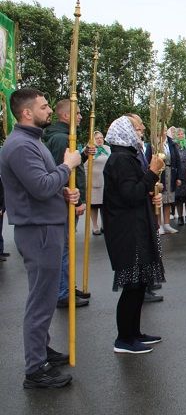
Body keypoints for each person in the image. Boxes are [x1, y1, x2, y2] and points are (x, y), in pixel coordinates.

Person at [0, 87, 82, 388]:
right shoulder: (21, 145)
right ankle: (35, 369)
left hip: (45, 225)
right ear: (27, 113)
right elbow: (40, 187)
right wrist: (67, 166)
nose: (49, 111)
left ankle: (41, 350)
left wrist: (64, 192)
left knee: (45, 298)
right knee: (41, 301)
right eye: (44, 106)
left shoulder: (32, 141)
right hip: (39, 231)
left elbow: (44, 185)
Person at [103, 116, 165, 354]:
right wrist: (151, 172)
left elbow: (137, 191)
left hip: (136, 225)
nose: (141, 132)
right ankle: (124, 339)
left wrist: (152, 194)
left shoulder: (128, 156)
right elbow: (130, 195)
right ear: (125, 131)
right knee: (132, 285)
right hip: (127, 231)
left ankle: (134, 332)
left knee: (139, 285)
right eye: (137, 128)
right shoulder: (120, 159)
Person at [43, 98, 92, 306]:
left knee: (68, 246)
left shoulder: (61, 136)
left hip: (66, 199)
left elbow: (72, 164)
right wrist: (77, 198)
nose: (81, 116)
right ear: (66, 115)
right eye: (78, 112)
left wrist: (83, 156)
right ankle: (63, 292)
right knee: (64, 247)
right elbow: (62, 170)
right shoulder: (62, 138)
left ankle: (67, 287)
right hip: (65, 200)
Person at [145, 126, 182, 235]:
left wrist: (179, 177)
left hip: (170, 173)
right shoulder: (152, 144)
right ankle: (158, 225)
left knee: (168, 200)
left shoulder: (172, 143)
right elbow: (147, 159)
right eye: (160, 130)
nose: (162, 132)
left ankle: (167, 224)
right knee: (158, 199)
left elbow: (178, 160)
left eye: (164, 130)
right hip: (158, 174)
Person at [86, 130, 111, 235]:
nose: (100, 140)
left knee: (105, 205)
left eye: (101, 137)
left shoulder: (107, 148)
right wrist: (87, 180)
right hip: (94, 181)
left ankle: (104, 225)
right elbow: (85, 166)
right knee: (94, 205)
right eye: (97, 138)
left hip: (106, 181)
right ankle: (95, 226)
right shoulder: (88, 149)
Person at [173, 128, 186, 226]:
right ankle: (180, 217)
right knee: (179, 197)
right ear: (176, 135)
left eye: (182, 134)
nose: (181, 135)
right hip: (178, 174)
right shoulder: (173, 146)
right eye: (179, 134)